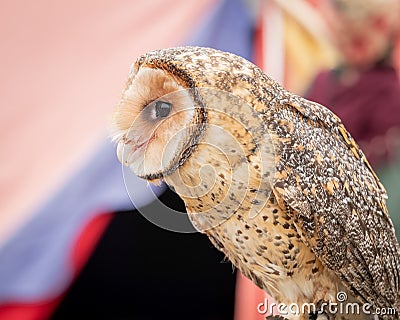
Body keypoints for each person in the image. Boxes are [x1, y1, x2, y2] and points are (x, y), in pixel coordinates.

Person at [306, 0, 400, 239]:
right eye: (346, 38)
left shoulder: (391, 94)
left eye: (359, 41)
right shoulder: (322, 82)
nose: (352, 48)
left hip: (363, 221)